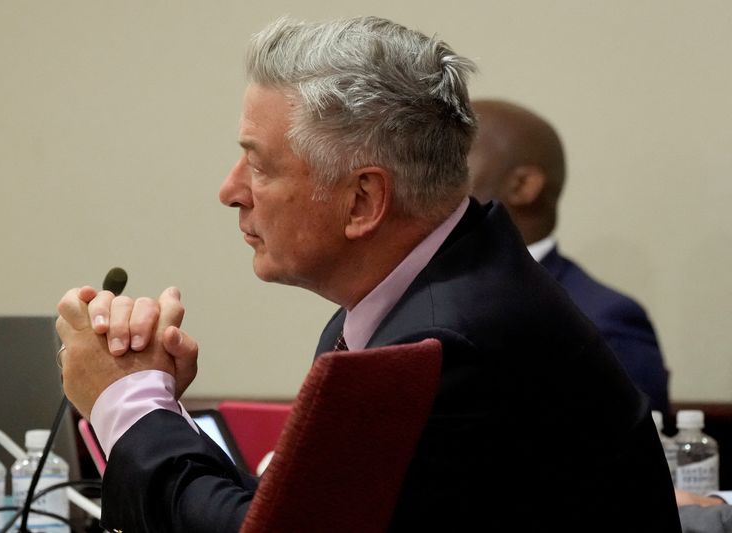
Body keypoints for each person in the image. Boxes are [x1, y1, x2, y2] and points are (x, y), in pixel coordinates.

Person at [55, 16, 681, 532]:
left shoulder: (446, 343)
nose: (230, 191)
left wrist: (128, 401)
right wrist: (152, 401)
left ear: (362, 201)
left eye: (260, 165)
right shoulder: (435, 290)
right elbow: (290, 517)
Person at [466, 99, 671, 415]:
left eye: (454, 161)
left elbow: (635, 455)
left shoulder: (602, 320)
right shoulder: (412, 294)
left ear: (522, 185)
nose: (431, 176)